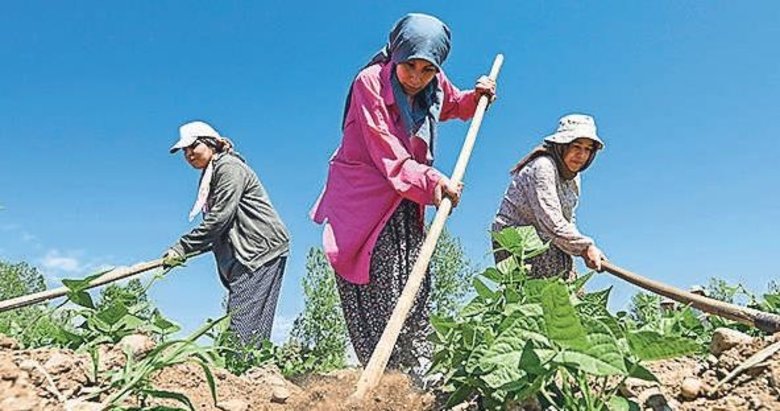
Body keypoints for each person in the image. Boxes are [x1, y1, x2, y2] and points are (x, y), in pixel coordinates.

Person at [310, 13, 496, 379]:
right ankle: (386, 377)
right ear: (396, 54)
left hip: (406, 194)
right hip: (364, 193)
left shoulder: (434, 83)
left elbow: (453, 104)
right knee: (379, 282)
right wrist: (432, 181)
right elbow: (387, 152)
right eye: (409, 66)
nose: (417, 77)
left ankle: (418, 376)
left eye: (427, 70)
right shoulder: (369, 84)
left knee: (413, 280)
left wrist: (478, 97)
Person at [164, 120, 290, 345]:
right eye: (185, 151)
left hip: (258, 251)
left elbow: (220, 217)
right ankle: (254, 372)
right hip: (252, 252)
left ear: (211, 144)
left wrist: (182, 247)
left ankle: (238, 372)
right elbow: (218, 224)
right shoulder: (211, 175)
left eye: (194, 146)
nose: (189, 154)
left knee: (240, 324)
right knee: (252, 329)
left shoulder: (229, 167)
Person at [492, 114, 607, 280]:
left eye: (588, 149)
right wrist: (585, 247)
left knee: (569, 290)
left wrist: (583, 248)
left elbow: (567, 218)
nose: (581, 155)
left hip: (547, 234)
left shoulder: (573, 177)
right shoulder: (543, 167)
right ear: (562, 146)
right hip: (516, 238)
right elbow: (550, 219)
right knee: (539, 295)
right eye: (576, 146)